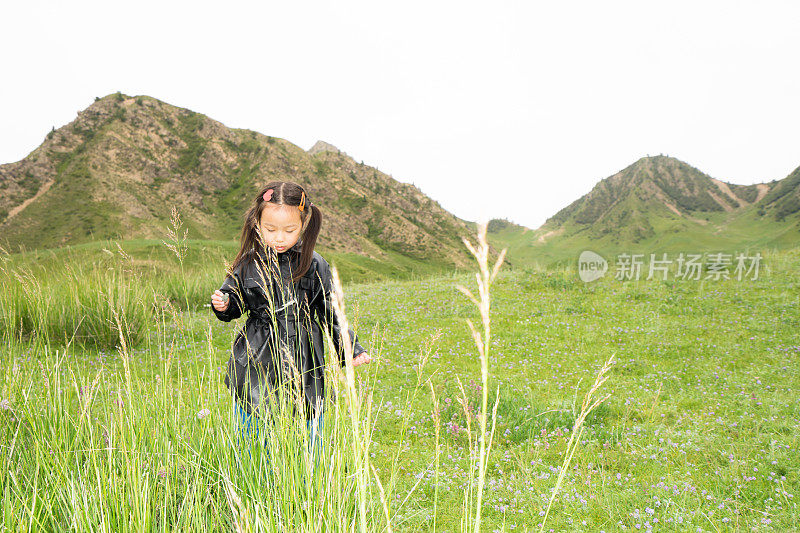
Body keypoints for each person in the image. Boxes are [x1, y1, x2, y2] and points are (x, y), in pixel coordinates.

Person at [210, 181, 372, 463]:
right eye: (271, 229)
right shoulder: (247, 263)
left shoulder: (314, 264)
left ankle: (309, 481)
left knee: (310, 423)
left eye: (290, 230)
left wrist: (350, 348)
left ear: (304, 224)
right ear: (256, 223)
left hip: (306, 356)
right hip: (257, 355)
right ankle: (251, 480)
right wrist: (224, 304)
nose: (279, 238)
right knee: (252, 420)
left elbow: (330, 311)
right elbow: (235, 301)